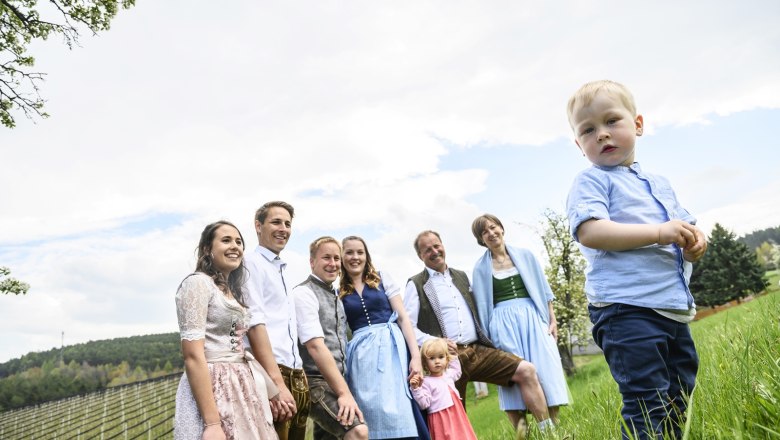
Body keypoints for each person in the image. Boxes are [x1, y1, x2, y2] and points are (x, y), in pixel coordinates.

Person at [566, 79, 708, 439]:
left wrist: (694, 243)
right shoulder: (592, 181)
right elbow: (592, 232)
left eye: (612, 121)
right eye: (588, 130)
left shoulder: (658, 183)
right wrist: (660, 233)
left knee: (680, 391)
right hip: (625, 309)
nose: (602, 134)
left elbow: (686, 227)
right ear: (579, 145)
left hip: (670, 308)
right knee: (647, 399)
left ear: (638, 125)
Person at [403, 230, 555, 438]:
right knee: (451, 417)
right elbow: (407, 326)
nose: (435, 251)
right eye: (427, 249)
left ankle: (549, 433)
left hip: (477, 350)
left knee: (527, 370)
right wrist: (434, 341)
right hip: (445, 361)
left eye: (437, 245)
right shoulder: (416, 284)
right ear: (420, 256)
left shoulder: (461, 276)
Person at [174, 220, 280, 440]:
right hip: (212, 384)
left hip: (240, 383)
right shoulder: (198, 284)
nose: (235, 246)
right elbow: (193, 355)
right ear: (207, 249)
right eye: (226, 240)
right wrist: (212, 423)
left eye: (239, 241)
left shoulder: (231, 292)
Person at [471, 214, 570, 434]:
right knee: (512, 375)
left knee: (546, 371)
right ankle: (523, 434)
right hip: (502, 323)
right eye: (484, 232)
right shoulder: (480, 268)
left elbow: (544, 290)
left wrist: (552, 319)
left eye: (493, 227)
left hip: (533, 317)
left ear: (502, 229)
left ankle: (552, 431)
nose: (491, 233)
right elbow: (481, 304)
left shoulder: (525, 256)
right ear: (481, 240)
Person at [339, 236, 429, 440]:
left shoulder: (382, 278)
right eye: (349, 252)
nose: (355, 257)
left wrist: (415, 356)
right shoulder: (339, 293)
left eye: (360, 252)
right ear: (342, 256)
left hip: (392, 348)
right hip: (361, 356)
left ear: (366, 255)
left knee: (401, 403)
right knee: (371, 406)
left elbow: (403, 318)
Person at [244, 201, 308, 440]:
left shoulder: (281, 269)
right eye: (276, 222)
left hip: (295, 372)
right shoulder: (251, 263)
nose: (283, 228)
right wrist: (276, 384)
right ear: (258, 226)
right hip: (273, 373)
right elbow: (254, 323)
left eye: (288, 224)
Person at [293, 237, 369, 440]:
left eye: (336, 258)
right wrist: (344, 394)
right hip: (315, 383)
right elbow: (315, 347)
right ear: (312, 262)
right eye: (326, 257)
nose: (333, 263)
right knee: (358, 432)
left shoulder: (335, 295)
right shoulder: (303, 293)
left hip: (336, 380)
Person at [410, 338, 477, 440]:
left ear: (446, 359)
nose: (437, 361)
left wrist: (454, 356)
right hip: (440, 418)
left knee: (463, 435)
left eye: (441, 357)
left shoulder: (448, 375)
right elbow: (424, 404)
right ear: (424, 362)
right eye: (432, 358)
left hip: (456, 413)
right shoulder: (426, 382)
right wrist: (416, 389)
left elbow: (457, 371)